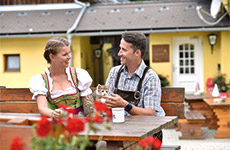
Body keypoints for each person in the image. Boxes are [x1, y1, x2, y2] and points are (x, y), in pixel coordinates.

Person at [104, 31, 165, 140]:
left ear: (137, 53)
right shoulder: (114, 73)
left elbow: (150, 114)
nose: (119, 53)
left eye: (124, 50)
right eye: (120, 48)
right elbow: (106, 103)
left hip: (146, 134)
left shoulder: (150, 78)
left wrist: (125, 105)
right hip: (120, 131)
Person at [29, 37, 92, 120]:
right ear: (52, 57)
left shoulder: (79, 75)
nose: (69, 57)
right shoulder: (40, 81)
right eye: (65, 54)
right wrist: (53, 113)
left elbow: (88, 105)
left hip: (79, 121)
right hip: (56, 123)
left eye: (69, 53)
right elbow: (42, 108)